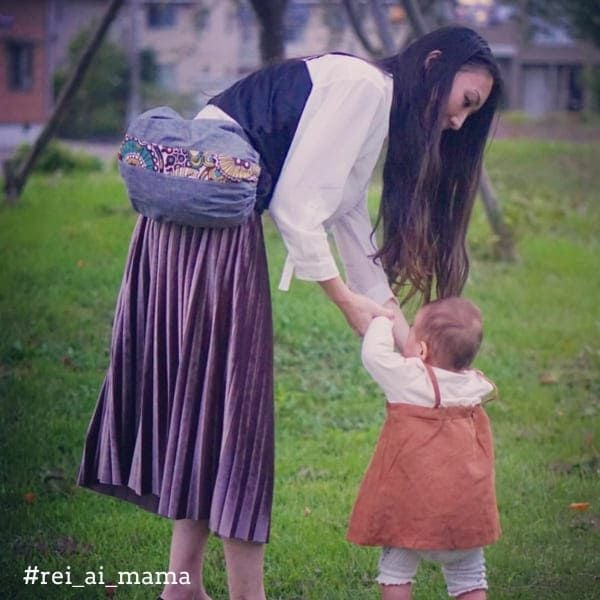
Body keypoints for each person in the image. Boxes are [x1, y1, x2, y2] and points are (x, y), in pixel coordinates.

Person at [76, 25, 502, 600]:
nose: (458, 121)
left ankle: (182, 587)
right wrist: (343, 299)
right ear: (433, 64)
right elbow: (298, 206)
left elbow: (347, 217)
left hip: (174, 234)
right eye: (465, 102)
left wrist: (409, 347)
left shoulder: (367, 96)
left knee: (206, 407)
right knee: (237, 419)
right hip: (215, 237)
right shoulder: (363, 87)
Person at [347, 297, 501, 600]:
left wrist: (383, 318)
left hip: (410, 516)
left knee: (395, 574)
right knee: (470, 579)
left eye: (412, 328)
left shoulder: (410, 380)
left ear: (421, 350)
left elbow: (374, 356)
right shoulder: (475, 386)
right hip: (464, 519)